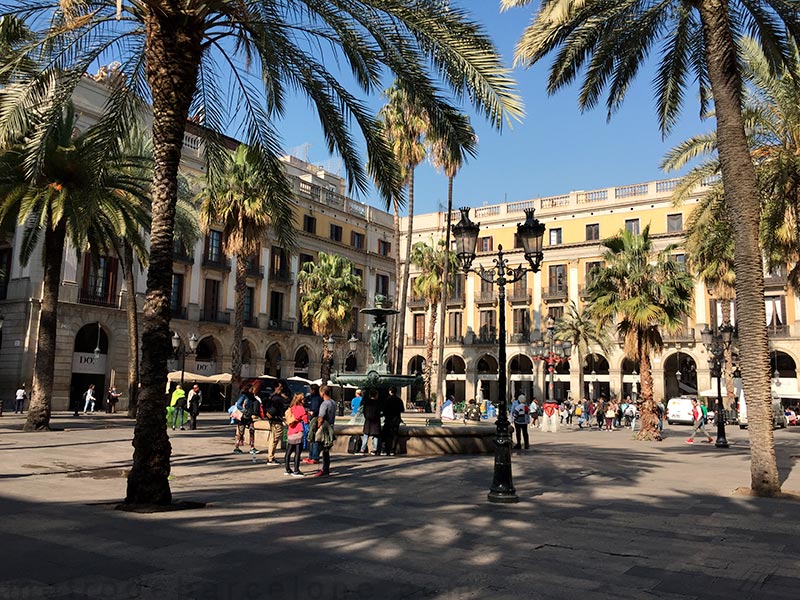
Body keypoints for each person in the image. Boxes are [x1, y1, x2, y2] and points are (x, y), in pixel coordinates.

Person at [313, 385, 337, 477]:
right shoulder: (333, 403)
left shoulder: (325, 404)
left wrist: (316, 427)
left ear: (322, 393)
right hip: (331, 427)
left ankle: (322, 468)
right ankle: (326, 468)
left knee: (320, 448)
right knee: (326, 450)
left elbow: (320, 418)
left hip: (324, 429)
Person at [284, 393, 309, 476]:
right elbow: (305, 421)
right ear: (301, 400)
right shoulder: (302, 409)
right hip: (298, 432)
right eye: (303, 399)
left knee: (288, 452)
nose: (304, 400)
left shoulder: (291, 408)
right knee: (297, 453)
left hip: (291, 432)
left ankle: (287, 469)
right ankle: (296, 470)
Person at [263, 383, 286, 465]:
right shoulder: (277, 398)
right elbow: (288, 401)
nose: (282, 388)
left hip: (273, 419)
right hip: (277, 420)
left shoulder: (271, 397)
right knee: (274, 439)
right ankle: (270, 458)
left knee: (273, 439)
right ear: (276, 388)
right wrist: (283, 396)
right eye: (280, 387)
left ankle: (271, 456)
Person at [233, 385, 259, 454]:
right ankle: (237, 447)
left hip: (249, 417)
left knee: (252, 430)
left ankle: (252, 447)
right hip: (243, 417)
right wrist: (244, 411)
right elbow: (238, 405)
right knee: (241, 432)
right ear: (248, 389)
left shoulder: (252, 397)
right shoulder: (244, 396)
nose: (253, 390)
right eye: (251, 389)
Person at [381, 386, 404, 456]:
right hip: (396, 420)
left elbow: (384, 410)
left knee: (385, 434)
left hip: (388, 419)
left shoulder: (387, 400)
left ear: (390, 391)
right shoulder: (399, 400)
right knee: (395, 435)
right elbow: (402, 410)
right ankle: (392, 450)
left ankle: (384, 449)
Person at [303, 384, 322, 466]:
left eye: (310, 390)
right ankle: (311, 456)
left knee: (313, 439)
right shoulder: (317, 398)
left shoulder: (315, 399)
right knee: (312, 439)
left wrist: (310, 412)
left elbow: (314, 410)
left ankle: (314, 457)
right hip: (314, 419)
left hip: (314, 420)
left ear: (313, 390)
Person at [361, 389, 382, 455]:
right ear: (376, 395)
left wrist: (366, 417)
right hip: (375, 421)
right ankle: (374, 449)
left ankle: (362, 449)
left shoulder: (367, 403)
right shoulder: (378, 403)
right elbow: (379, 412)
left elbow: (364, 412)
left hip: (368, 421)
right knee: (375, 436)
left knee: (366, 435)